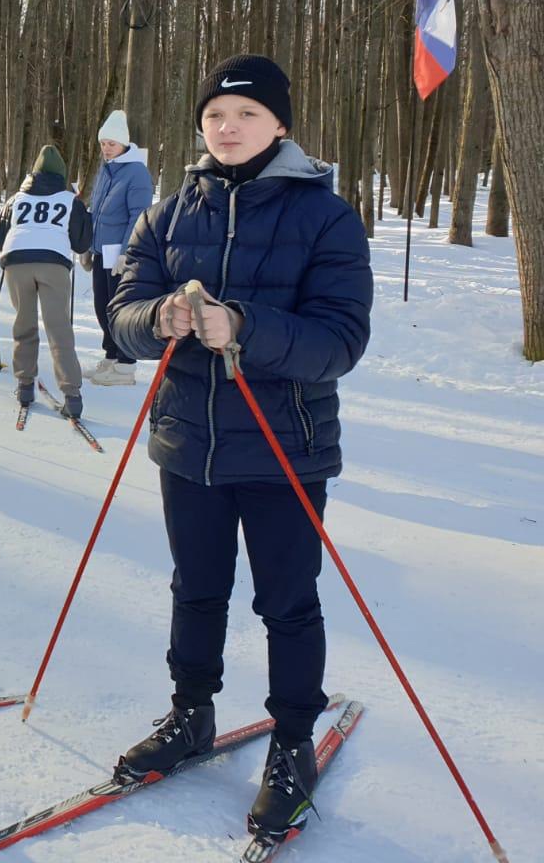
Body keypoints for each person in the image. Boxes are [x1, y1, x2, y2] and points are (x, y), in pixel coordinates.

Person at [107, 54, 372, 842]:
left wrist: (245, 328)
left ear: (280, 125)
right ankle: (192, 714)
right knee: (196, 588)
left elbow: (340, 340)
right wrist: (158, 319)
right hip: (189, 444)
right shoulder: (167, 212)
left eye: (246, 115)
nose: (227, 128)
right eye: (216, 115)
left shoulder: (325, 216)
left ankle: (293, 744)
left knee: (286, 603)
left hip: (285, 447)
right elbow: (120, 312)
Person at [0, 144, 93, 416]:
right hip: (53, 263)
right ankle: (72, 396)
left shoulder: (16, 199)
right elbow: (82, 243)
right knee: (58, 328)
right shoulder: (70, 201)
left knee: (24, 322)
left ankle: (25, 385)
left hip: (16, 262)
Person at [84, 111, 154, 386]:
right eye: (103, 143)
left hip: (121, 254)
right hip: (101, 250)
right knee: (102, 305)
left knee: (119, 308)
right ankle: (111, 356)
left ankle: (126, 365)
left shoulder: (136, 171)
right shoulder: (106, 169)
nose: (106, 148)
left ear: (124, 143)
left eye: (111, 144)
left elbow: (138, 215)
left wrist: (127, 251)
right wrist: (87, 247)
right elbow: (96, 210)